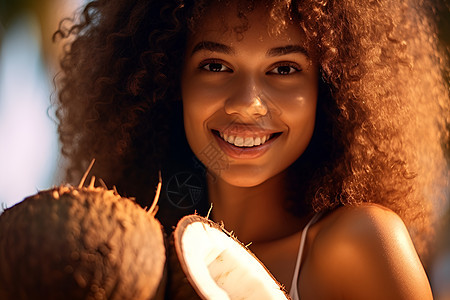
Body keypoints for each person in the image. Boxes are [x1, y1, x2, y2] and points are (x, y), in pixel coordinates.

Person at [53, 0, 448, 298]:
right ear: (171, 85)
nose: (247, 103)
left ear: (326, 91)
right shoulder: (140, 265)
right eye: (215, 65)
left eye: (284, 69)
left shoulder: (359, 243)